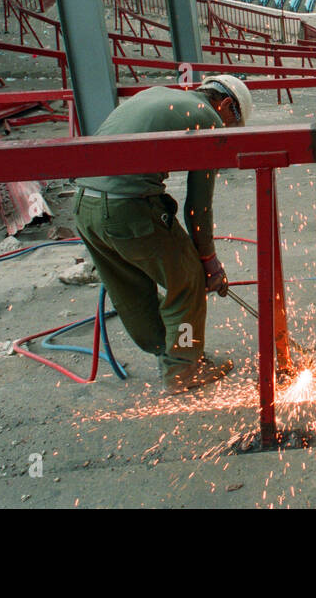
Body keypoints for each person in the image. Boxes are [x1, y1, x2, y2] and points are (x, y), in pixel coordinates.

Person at [72, 75, 253, 393]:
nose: (226, 132)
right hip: (128, 210)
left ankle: (168, 353)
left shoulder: (158, 94)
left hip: (84, 207)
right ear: (225, 105)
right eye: (231, 124)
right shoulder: (208, 119)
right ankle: (183, 368)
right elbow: (198, 206)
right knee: (187, 281)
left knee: (131, 288)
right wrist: (208, 260)